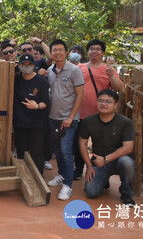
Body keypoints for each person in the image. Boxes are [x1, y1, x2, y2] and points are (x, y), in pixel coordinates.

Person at [74, 39, 125, 181]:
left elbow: (120, 88)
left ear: (102, 52)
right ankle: (79, 169)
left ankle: (102, 173)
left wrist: (110, 75)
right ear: (88, 52)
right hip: (81, 113)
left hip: (101, 116)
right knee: (79, 143)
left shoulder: (108, 69)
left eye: (97, 49)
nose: (94, 51)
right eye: (91, 49)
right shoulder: (80, 68)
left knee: (101, 145)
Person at [79, 89, 135, 205]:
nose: (103, 104)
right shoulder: (89, 121)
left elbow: (128, 148)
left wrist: (106, 159)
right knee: (91, 192)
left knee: (128, 163)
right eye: (100, 101)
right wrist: (89, 166)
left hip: (118, 160)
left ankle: (126, 194)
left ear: (116, 105)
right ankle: (103, 180)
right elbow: (82, 144)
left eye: (108, 101)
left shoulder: (125, 122)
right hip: (98, 160)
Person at [46, 39, 84, 201]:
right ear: (51, 52)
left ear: (66, 52)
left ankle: (68, 184)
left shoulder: (74, 70)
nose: (58, 52)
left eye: (61, 50)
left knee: (66, 150)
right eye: (54, 50)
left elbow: (80, 95)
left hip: (68, 119)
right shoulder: (49, 70)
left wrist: (70, 117)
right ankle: (61, 174)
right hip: (52, 118)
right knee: (58, 149)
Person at [12, 54, 49, 175]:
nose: (26, 67)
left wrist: (37, 106)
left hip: (37, 123)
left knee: (37, 151)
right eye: (23, 64)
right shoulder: (15, 79)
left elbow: (46, 102)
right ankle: (23, 176)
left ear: (34, 66)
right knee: (21, 151)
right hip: (20, 122)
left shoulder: (41, 81)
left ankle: (38, 177)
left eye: (29, 65)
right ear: (19, 66)